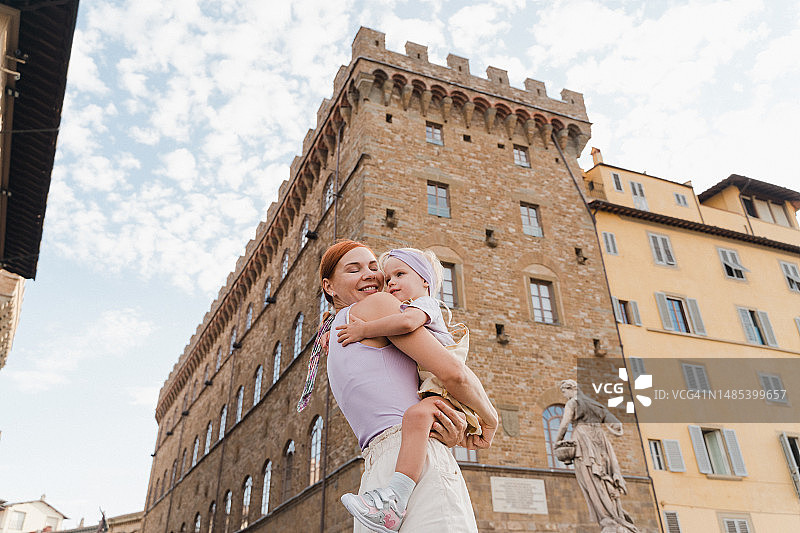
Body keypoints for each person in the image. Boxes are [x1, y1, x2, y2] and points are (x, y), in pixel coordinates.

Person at [299, 240, 496, 532]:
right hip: (419, 465)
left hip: (375, 481)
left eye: (373, 267)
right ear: (329, 287)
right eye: (354, 269)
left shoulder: (335, 331)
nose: (371, 275)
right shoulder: (379, 306)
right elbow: (455, 374)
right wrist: (490, 418)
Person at [555, 379, 638, 533]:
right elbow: (616, 424)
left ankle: (608, 519)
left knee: (592, 480)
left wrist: (557, 442)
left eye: (564, 391)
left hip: (584, 441)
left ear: (571, 388)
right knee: (605, 478)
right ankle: (616, 515)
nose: (564, 395)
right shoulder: (596, 405)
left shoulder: (572, 403)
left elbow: (564, 424)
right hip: (601, 443)